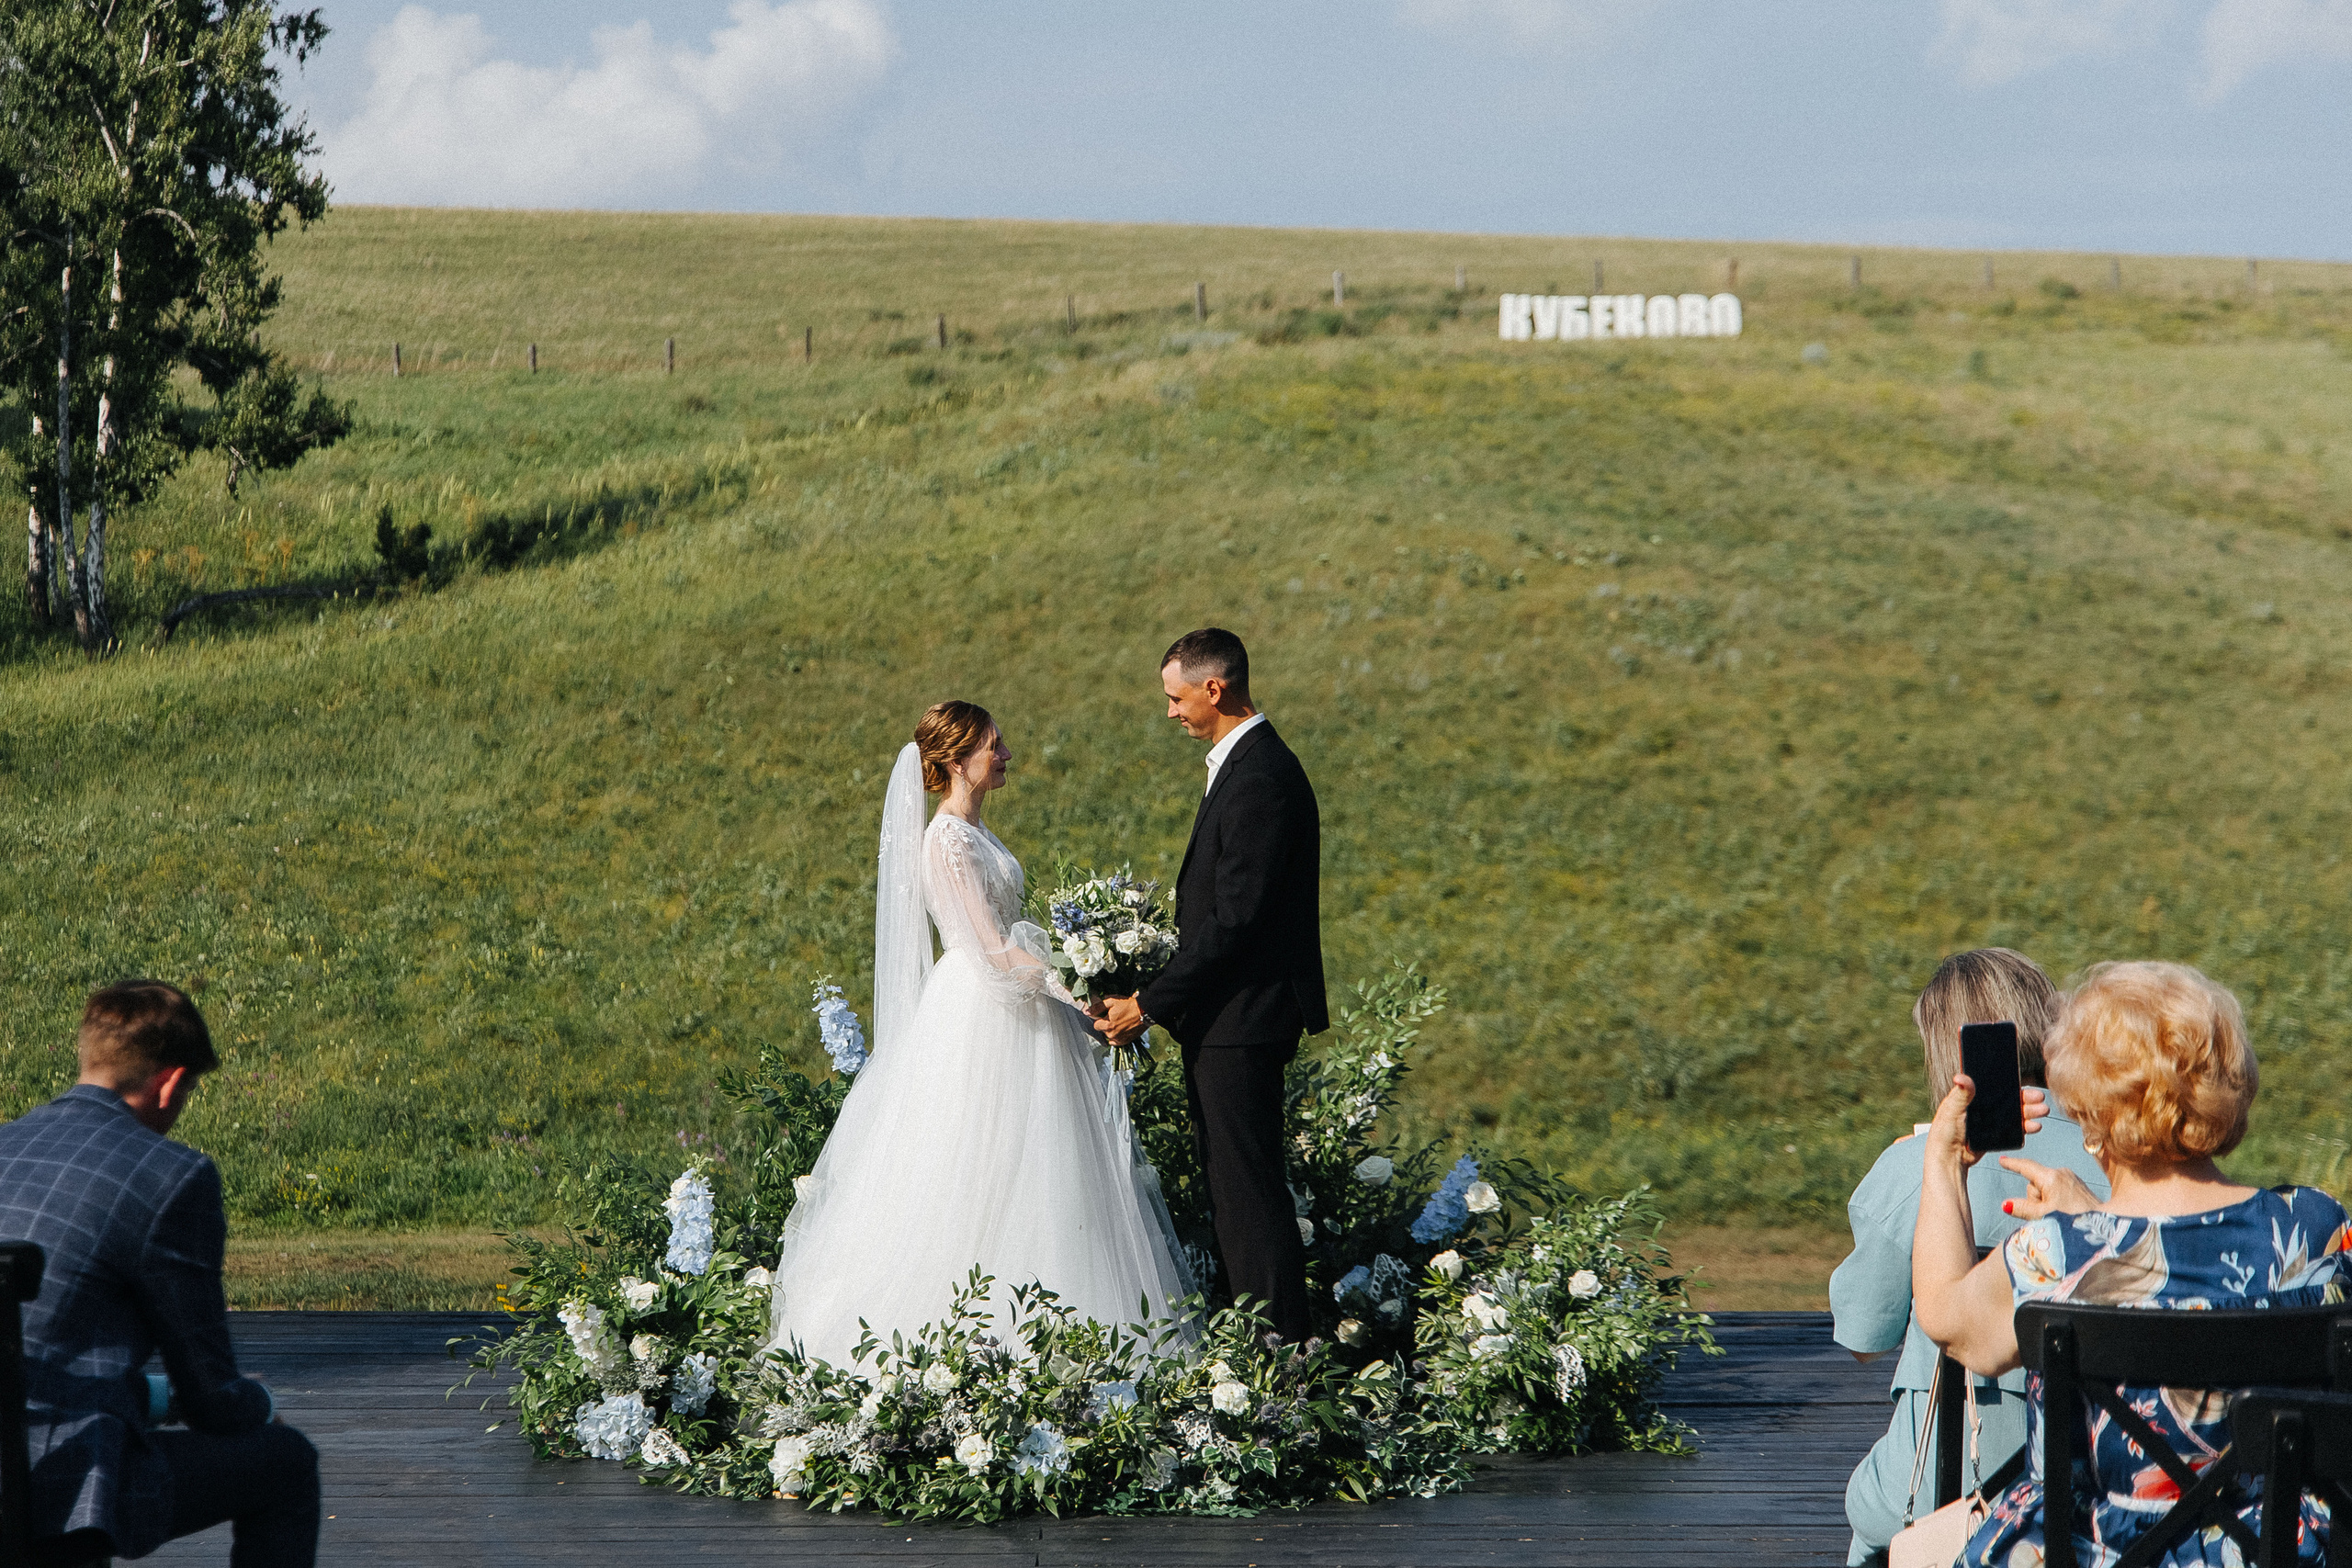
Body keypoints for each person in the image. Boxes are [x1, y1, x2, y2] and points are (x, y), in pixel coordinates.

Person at [765, 702, 1194, 1368]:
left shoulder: (976, 830)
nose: (1007, 754)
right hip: (981, 1010)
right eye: (995, 745)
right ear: (958, 758)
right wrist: (1074, 989)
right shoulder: (946, 840)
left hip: (1012, 1006)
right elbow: (992, 951)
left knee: (1036, 1163)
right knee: (978, 1160)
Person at [1914, 960, 2352, 1568]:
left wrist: (1944, 1160)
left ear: (2090, 1109)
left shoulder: (2055, 1254)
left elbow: (1945, 1316)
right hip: (2272, 1547)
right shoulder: (2315, 1228)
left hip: (2093, 1547)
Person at [0, 980, 319, 1567]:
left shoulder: (6, 1146)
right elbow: (212, 1399)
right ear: (170, 1082)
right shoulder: (171, 1177)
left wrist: (148, 1396)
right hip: (52, 1489)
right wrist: (259, 1404)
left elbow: (49, 1341)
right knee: (285, 1463)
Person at [1831, 949, 2110, 1565]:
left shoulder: (1913, 1168)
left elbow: (1863, 1336)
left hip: (1937, 1483)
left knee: (1871, 1510)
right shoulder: (2124, 1157)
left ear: (1946, 1052)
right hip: (2098, 1479)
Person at [1097, 628, 1328, 1341]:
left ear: (1214, 689)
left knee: (1248, 1192)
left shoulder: (1260, 777)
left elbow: (1236, 918)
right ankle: (1251, 1341)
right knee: (1233, 1189)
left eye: (1176, 697)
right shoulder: (1246, 764)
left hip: (1243, 1018)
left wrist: (1153, 1002)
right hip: (1228, 1017)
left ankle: (1281, 1355)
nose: (1171, 712)